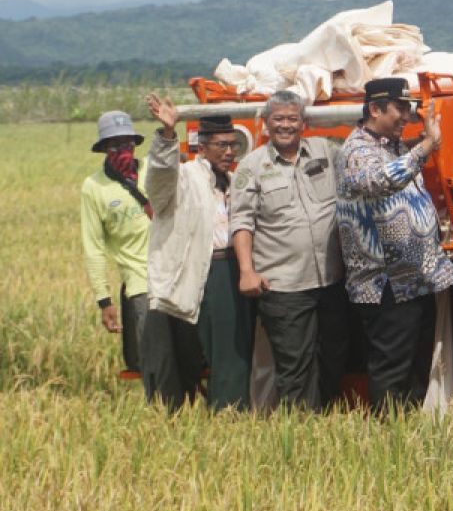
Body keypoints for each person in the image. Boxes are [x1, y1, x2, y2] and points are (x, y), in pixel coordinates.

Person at [334, 77, 453, 412]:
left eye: (409, 108)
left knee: (416, 365)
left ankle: (409, 429)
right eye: (399, 108)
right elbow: (379, 181)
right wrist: (425, 147)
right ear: (374, 109)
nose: (406, 115)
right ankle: (389, 437)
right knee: (392, 365)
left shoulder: (393, 145)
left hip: (414, 277)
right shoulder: (356, 150)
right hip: (385, 282)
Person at [230, 90, 348, 410]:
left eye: (292, 119)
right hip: (284, 285)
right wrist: (246, 271)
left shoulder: (325, 152)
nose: (285, 125)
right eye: (278, 119)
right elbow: (241, 222)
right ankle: (298, 435)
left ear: (304, 123)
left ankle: (325, 421)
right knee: (295, 365)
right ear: (266, 124)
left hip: (331, 280)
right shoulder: (252, 166)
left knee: (333, 357)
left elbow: (359, 164)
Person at [140, 97, 254, 411]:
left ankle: (229, 412)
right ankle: (176, 415)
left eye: (233, 145)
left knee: (230, 349)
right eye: (222, 145)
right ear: (202, 147)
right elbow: (159, 182)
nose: (229, 152)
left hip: (229, 269)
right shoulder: (185, 176)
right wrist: (167, 135)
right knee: (180, 354)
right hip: (194, 270)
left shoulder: (235, 181)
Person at [80, 110, 150, 375]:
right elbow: (93, 247)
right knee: (152, 361)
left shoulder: (153, 170)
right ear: (104, 149)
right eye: (115, 145)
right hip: (139, 282)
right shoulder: (94, 188)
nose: (123, 150)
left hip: (175, 275)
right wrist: (103, 300)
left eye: (128, 143)